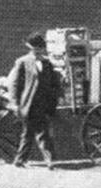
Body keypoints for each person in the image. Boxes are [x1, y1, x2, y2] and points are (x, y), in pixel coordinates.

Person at [7, 32, 63, 168]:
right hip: (28, 104)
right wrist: (14, 103)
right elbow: (14, 84)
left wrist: (58, 95)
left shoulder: (47, 63)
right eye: (35, 48)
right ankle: (47, 160)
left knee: (35, 133)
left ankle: (24, 160)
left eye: (40, 48)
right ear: (30, 48)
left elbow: (54, 82)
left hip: (43, 104)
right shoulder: (22, 62)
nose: (37, 51)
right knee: (34, 133)